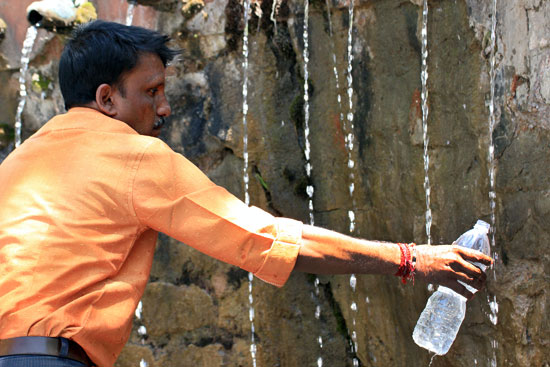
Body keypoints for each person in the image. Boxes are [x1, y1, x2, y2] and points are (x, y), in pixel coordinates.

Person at [0, 20, 492, 367]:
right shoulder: (133, 156)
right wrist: (410, 258)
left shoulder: (18, 162)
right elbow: (263, 239)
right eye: (152, 92)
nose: (166, 109)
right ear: (107, 99)